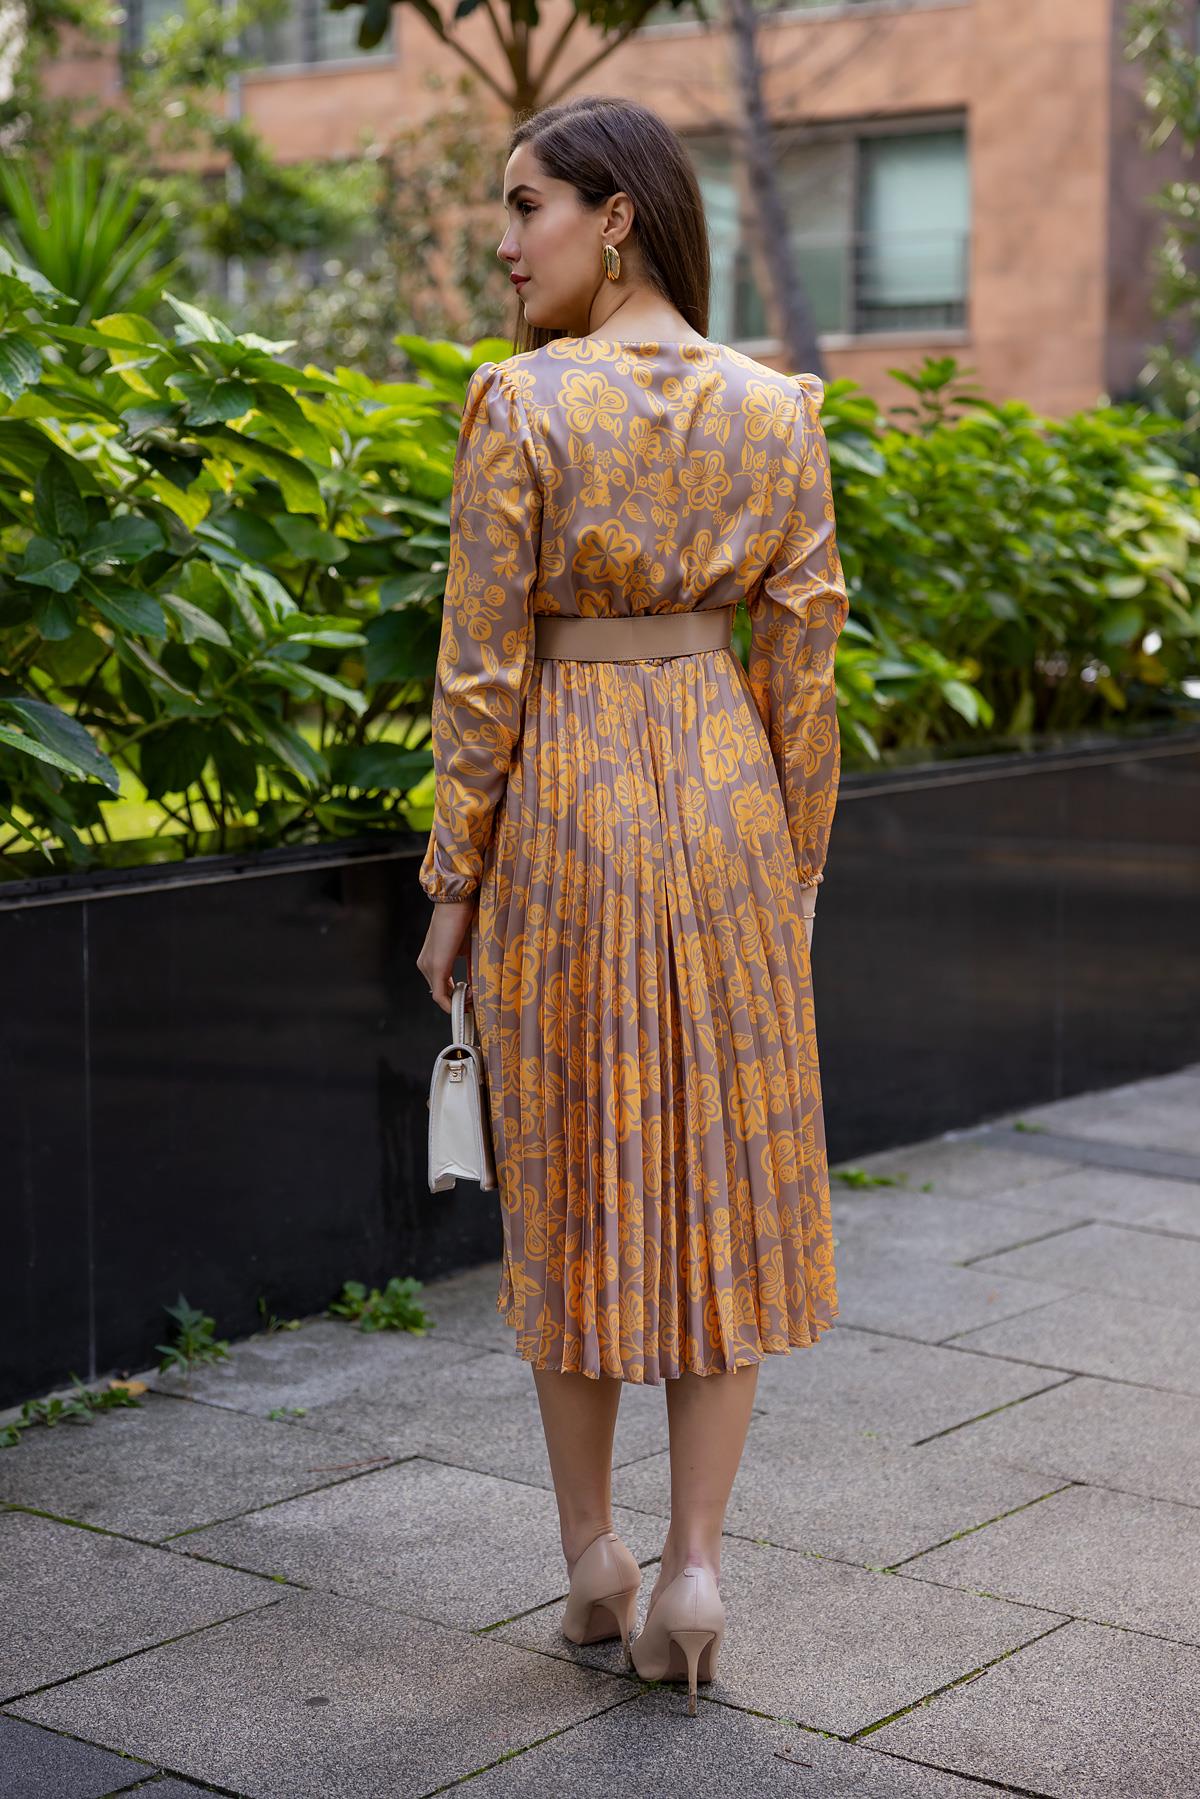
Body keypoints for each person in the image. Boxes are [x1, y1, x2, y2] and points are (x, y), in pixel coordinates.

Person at [416, 93, 850, 1715]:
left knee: (579, 1167)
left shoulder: (521, 408)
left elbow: (482, 670)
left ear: (615, 216)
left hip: (571, 811)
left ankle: (595, 1559)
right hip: (728, 797)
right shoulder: (776, 407)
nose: (505, 241)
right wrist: (797, 861)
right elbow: (802, 666)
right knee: (725, 1177)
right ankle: (697, 1568)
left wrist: (452, 881)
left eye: (524, 206)